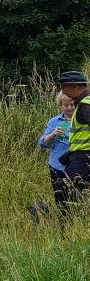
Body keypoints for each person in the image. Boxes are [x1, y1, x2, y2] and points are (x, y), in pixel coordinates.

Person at [39, 92, 76, 216]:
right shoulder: (54, 122)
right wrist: (53, 134)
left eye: (72, 105)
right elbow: (42, 144)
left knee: (77, 198)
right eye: (66, 105)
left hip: (77, 167)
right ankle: (63, 222)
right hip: (57, 167)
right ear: (60, 106)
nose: (70, 108)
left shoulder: (83, 121)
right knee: (61, 198)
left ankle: (77, 224)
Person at [58, 70, 90, 202]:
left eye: (64, 87)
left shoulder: (85, 105)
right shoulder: (84, 102)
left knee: (67, 196)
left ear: (75, 86)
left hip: (83, 158)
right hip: (82, 157)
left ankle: (65, 221)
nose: (63, 91)